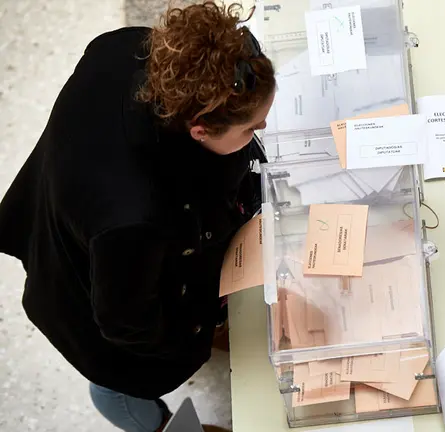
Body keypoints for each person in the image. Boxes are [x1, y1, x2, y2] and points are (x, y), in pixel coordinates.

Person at [0, 2, 275, 432]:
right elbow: (128, 325)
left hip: (82, 218)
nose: (259, 131)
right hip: (91, 304)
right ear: (200, 129)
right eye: (251, 128)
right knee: (118, 385)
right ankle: (157, 427)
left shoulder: (136, 49)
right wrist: (194, 329)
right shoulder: (135, 218)